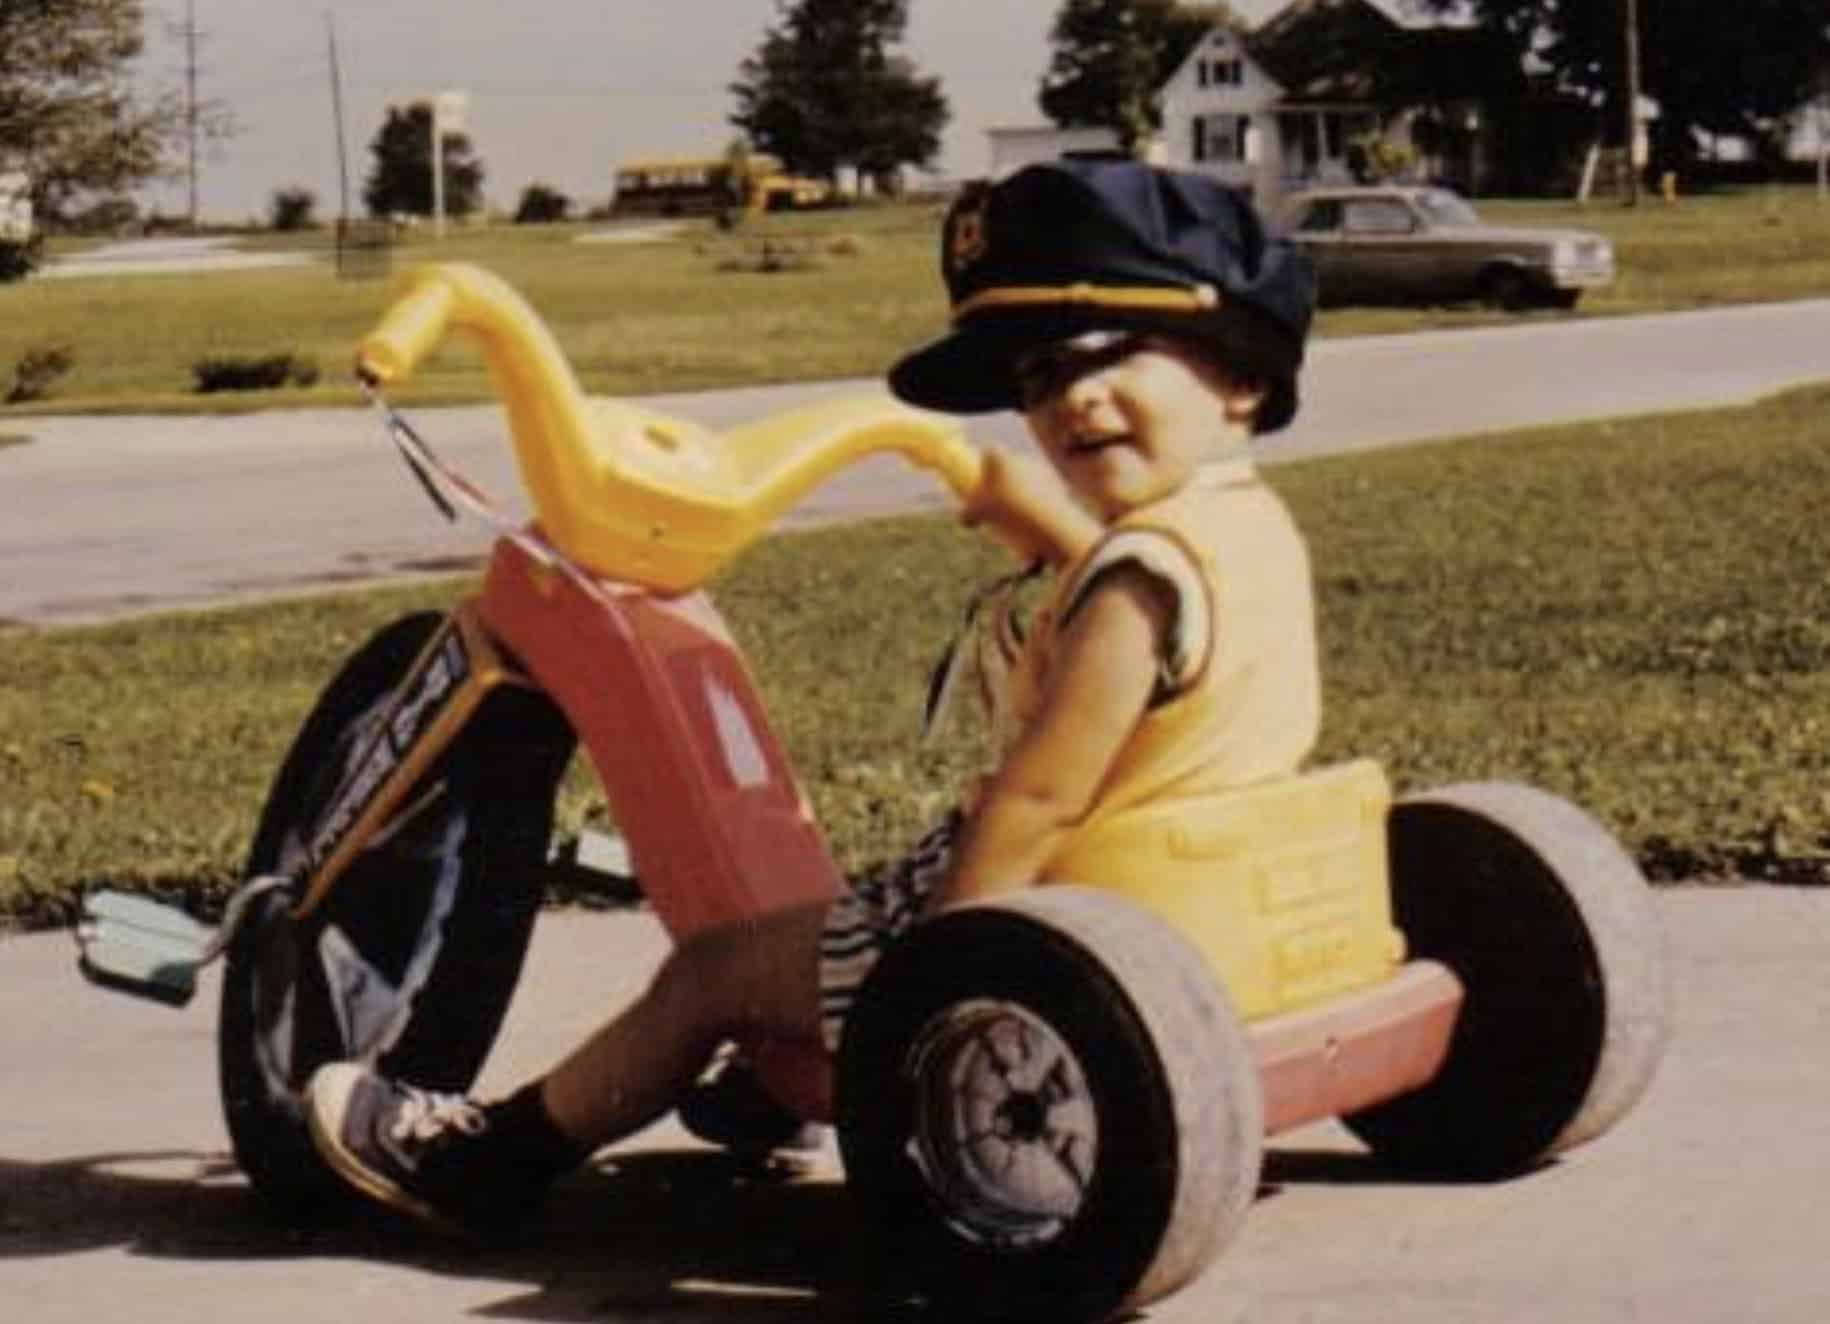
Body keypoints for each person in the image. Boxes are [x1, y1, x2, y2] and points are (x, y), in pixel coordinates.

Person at [302, 158, 1321, 1237]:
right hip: (1197, 900)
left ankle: (487, 1160)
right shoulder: (1237, 533)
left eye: (1109, 351)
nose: (1073, 398)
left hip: (1047, 917)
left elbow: (1040, 800)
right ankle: (771, 1074)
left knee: (707, 974)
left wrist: (938, 976)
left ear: (1241, 377)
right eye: (1036, 377)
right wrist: (1013, 506)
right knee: (794, 942)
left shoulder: (1127, 590)